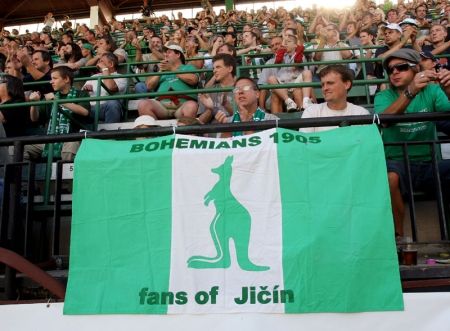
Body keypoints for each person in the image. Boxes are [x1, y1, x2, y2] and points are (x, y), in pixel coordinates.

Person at [374, 48, 450, 238]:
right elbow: (385, 119)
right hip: (397, 161)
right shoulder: (383, 96)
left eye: (401, 67)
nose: (395, 73)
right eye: (390, 70)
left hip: (429, 162)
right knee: (390, 178)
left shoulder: (432, 90)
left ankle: (447, 237)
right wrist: (410, 92)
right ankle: (399, 238)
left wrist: (449, 89)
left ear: (416, 69)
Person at [26, 66, 91, 161]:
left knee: (69, 149)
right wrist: (34, 104)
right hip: (50, 139)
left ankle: (64, 175)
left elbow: (84, 112)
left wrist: (57, 100)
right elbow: (35, 118)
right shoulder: (51, 97)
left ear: (66, 79)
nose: (51, 82)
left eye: (55, 78)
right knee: (19, 148)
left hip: (72, 136)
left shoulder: (81, 94)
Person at [300, 65, 370, 133]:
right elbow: (304, 144)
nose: (325, 88)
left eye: (330, 83)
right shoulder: (311, 112)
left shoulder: (361, 113)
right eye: (322, 85)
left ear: (346, 85)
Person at [137, 44, 198, 119]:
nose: (165, 54)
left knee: (191, 106)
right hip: (162, 105)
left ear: (178, 54)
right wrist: (160, 71)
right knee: (143, 104)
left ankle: (184, 129)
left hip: (183, 104)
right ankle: (155, 130)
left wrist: (172, 69)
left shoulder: (189, 67)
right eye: (165, 52)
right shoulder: (161, 71)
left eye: (169, 52)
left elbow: (193, 80)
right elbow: (149, 86)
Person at [82, 52, 127, 123]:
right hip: (89, 109)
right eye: (99, 61)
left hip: (107, 108)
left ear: (111, 64)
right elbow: (82, 95)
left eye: (101, 61)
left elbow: (110, 87)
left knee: (113, 103)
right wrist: (86, 89)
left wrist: (104, 69)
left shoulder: (120, 77)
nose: (98, 63)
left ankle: (109, 132)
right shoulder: (93, 77)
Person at [197, 53, 236, 125]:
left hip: (237, 131)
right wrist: (210, 109)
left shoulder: (241, 88)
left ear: (230, 68)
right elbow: (201, 121)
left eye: (218, 67)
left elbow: (246, 116)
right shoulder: (209, 91)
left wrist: (226, 105)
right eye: (213, 68)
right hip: (214, 132)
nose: (214, 71)